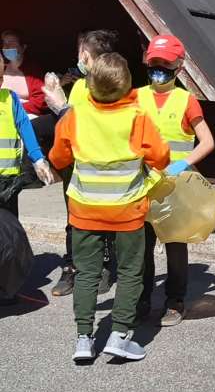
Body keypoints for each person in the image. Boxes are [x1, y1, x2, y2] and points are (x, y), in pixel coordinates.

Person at [49, 52, 170, 363]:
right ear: (127, 84)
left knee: (87, 272)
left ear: (90, 83)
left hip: (84, 208)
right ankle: (119, 335)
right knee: (130, 271)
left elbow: (59, 159)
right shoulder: (137, 116)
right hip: (127, 208)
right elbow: (161, 157)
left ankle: (83, 338)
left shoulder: (75, 115)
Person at [136, 35, 215, 327]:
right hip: (142, 186)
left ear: (179, 67)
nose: (158, 70)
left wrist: (185, 162)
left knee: (175, 247)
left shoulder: (186, 100)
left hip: (174, 188)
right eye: (154, 64)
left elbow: (207, 141)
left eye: (165, 64)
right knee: (141, 249)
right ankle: (141, 300)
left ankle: (174, 301)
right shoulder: (136, 97)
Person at [46, 30, 119, 297]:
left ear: (87, 55)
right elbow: (69, 126)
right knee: (73, 219)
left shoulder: (112, 86)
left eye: (80, 52)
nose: (78, 58)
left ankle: (105, 267)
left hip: (100, 166)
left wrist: (62, 108)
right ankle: (72, 267)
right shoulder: (78, 86)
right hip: (74, 165)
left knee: (103, 220)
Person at [0, 51, 54, 216]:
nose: (0, 82)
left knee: (9, 230)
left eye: (1, 77)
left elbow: (25, 126)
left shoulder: (10, 98)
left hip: (8, 180)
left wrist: (38, 159)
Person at [1, 30, 48, 118]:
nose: (7, 46)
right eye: (5, 43)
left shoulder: (33, 70)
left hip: (27, 120)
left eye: (11, 42)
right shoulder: (1, 68)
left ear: (23, 47)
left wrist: (14, 109)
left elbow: (41, 101)